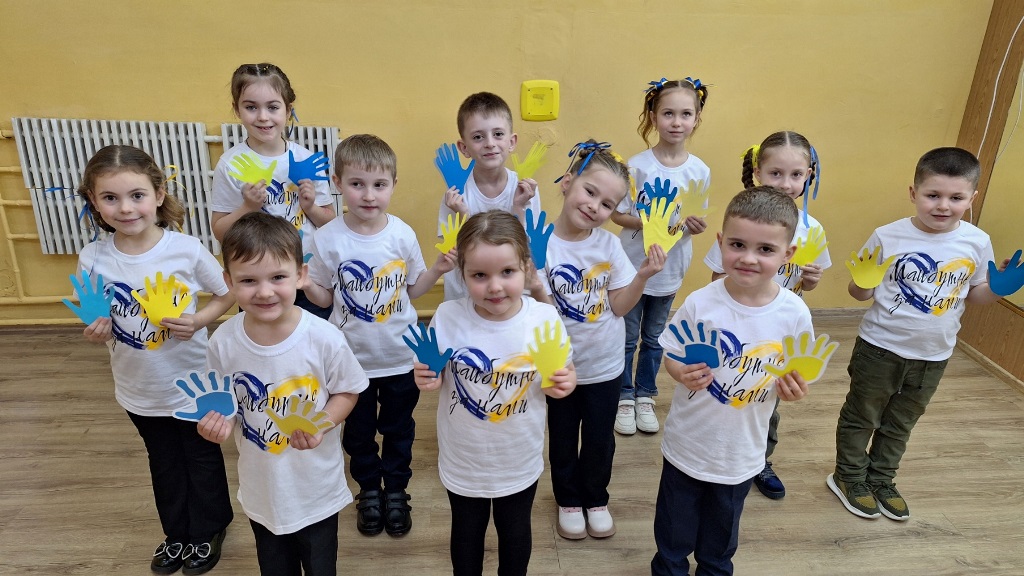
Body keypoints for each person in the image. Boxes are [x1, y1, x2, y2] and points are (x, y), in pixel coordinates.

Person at [74, 144, 234, 575]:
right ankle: (177, 532)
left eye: (137, 195)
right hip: (138, 387)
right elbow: (93, 313)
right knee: (163, 461)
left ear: (159, 194)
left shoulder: (185, 249)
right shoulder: (93, 257)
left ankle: (209, 529)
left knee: (200, 456)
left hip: (193, 381)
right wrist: (96, 329)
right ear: (94, 201)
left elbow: (227, 292)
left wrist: (198, 320)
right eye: (110, 198)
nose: (126, 208)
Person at [828, 147, 1009, 521]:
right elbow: (860, 292)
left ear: (972, 199)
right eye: (933, 195)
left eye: (956, 198)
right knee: (863, 416)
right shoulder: (887, 236)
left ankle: (881, 479)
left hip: (934, 354)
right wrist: (862, 282)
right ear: (913, 193)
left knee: (900, 423)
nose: (943, 206)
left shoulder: (977, 241)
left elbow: (975, 295)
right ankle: (849, 477)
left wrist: (998, 287)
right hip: (880, 348)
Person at [652, 186, 813, 576]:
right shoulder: (700, 302)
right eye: (738, 244)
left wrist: (793, 388)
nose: (748, 258)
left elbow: (796, 372)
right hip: (688, 444)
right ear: (721, 242)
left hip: (741, 453)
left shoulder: (794, 313)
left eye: (765, 249)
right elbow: (671, 353)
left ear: (788, 254)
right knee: (673, 535)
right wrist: (679, 371)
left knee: (720, 541)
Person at [197, 212, 368, 576]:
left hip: (315, 486)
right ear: (228, 281)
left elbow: (348, 391)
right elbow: (226, 402)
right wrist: (217, 422)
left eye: (277, 277)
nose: (264, 292)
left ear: (301, 275)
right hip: (262, 486)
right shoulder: (223, 342)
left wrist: (321, 423)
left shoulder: (324, 338)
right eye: (248, 280)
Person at [303, 134, 452, 537]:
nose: (369, 195)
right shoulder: (327, 237)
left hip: (400, 358)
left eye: (379, 185)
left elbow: (413, 291)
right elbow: (324, 297)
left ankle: (397, 489)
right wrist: (306, 283)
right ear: (338, 183)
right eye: (357, 184)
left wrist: (437, 270)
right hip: (351, 362)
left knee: (399, 429)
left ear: (393, 185)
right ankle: (369, 489)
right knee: (358, 432)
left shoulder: (401, 234)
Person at [414, 210, 576, 576]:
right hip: (463, 456)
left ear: (526, 268)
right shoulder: (447, 316)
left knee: (515, 530)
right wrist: (426, 378)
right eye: (479, 276)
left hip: (518, 455)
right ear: (462, 274)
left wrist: (566, 383)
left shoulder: (544, 319)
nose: (495, 287)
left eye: (507, 272)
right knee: (466, 531)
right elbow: (430, 373)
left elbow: (564, 371)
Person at [537, 140, 665, 540]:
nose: (595, 206)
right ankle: (568, 499)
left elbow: (619, 307)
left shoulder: (609, 245)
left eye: (607, 204)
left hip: (605, 367)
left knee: (598, 440)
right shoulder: (539, 241)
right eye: (590, 192)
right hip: (559, 368)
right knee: (562, 439)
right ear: (567, 182)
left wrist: (642, 277)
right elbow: (538, 312)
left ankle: (596, 498)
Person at [704, 130, 832, 499]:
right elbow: (717, 279)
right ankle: (715, 452)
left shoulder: (812, 229)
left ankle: (760, 459)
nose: (786, 184)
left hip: (778, 333)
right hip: (737, 329)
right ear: (758, 173)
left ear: (808, 176)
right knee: (726, 392)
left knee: (766, 398)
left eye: (796, 175)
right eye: (776, 173)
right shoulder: (742, 220)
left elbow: (806, 287)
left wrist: (812, 280)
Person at [611, 77, 711, 436]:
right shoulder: (636, 166)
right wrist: (650, 222)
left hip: (670, 269)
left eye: (685, 114)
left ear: (696, 119)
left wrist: (694, 226)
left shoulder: (700, 170)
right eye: (668, 113)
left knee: (654, 339)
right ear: (653, 116)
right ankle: (623, 395)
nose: (676, 122)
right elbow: (616, 215)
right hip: (633, 267)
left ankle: (645, 395)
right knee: (626, 337)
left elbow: (693, 220)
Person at [210, 62, 335, 318]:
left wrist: (310, 207)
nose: (263, 117)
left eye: (273, 107)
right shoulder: (231, 164)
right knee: (263, 337)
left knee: (312, 335)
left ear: (288, 110)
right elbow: (220, 231)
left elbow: (331, 223)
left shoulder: (304, 160)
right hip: (258, 280)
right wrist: (248, 207)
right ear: (237, 109)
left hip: (306, 274)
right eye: (251, 107)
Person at [437, 91, 541, 301]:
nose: (490, 143)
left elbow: (530, 248)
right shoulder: (456, 194)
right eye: (478, 137)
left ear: (512, 141)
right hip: (465, 296)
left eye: (498, 134)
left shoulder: (525, 190)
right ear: (464, 147)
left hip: (510, 296)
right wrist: (463, 215)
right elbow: (452, 253)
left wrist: (519, 208)